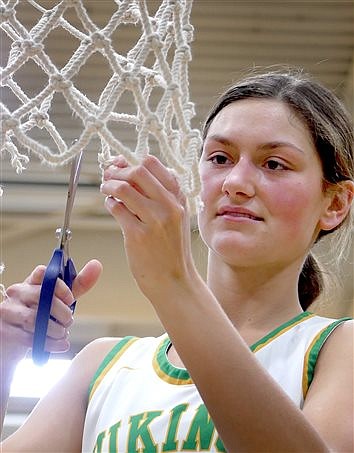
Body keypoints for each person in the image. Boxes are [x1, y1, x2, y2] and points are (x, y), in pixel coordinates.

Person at [1, 69, 353, 452]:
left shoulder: (338, 348)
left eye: (274, 164)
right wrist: (4, 353)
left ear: (335, 203)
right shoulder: (102, 365)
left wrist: (173, 282)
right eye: (219, 157)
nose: (235, 182)